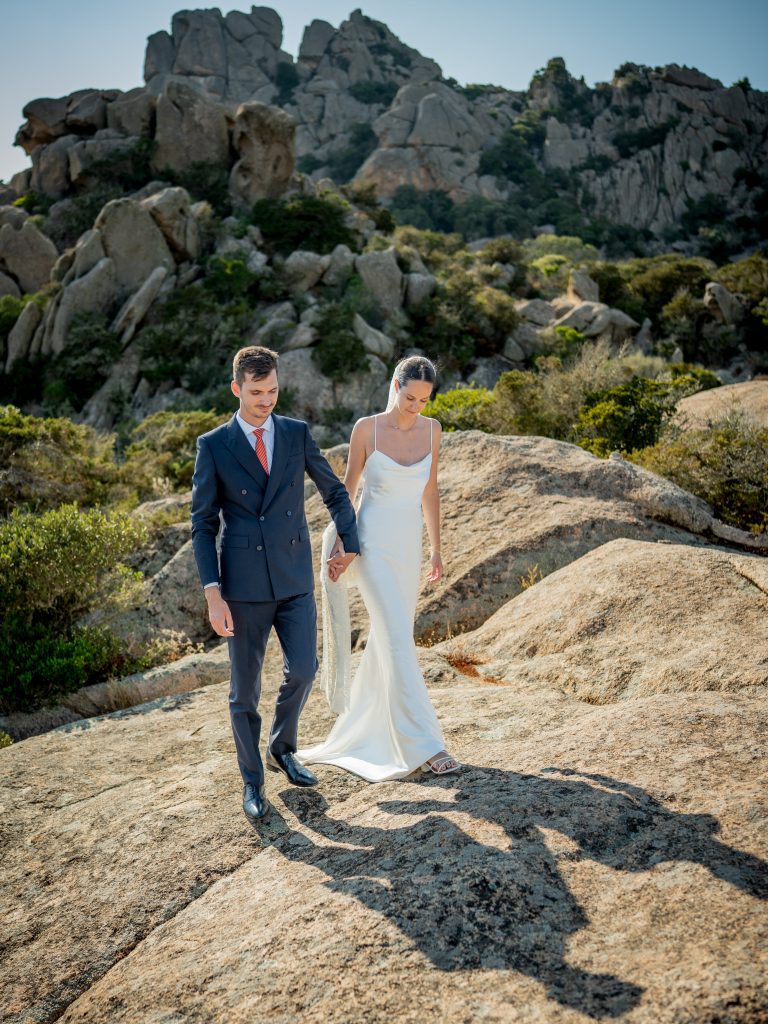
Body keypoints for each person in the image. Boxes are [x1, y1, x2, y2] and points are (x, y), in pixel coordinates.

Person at [190, 345, 360, 826]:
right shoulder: (214, 445)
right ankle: (251, 780)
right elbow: (202, 524)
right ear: (236, 388)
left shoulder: (295, 433)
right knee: (244, 691)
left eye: (273, 391)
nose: (266, 401)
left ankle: (281, 748)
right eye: (257, 392)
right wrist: (212, 593)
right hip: (242, 587)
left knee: (304, 669)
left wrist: (349, 540)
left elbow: (333, 490)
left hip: (292, 577)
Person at [298, 355, 460, 782]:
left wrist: (436, 549)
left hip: (407, 547)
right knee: (393, 635)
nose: (416, 407)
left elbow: (430, 491)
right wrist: (343, 545)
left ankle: (367, 730)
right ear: (395, 385)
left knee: (393, 638)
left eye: (425, 400)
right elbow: (348, 492)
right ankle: (427, 744)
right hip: (370, 545)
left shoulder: (432, 429)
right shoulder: (366, 429)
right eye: (410, 397)